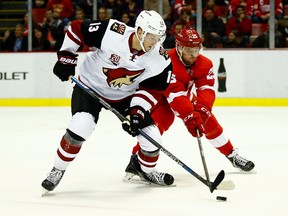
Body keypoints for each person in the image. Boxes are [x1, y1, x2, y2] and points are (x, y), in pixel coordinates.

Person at [41, 10, 174, 194]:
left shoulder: (160, 59)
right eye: (152, 37)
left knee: (152, 138)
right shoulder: (113, 32)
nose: (156, 43)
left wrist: (137, 112)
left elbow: (153, 89)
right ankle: (57, 169)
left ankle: (146, 171)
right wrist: (66, 57)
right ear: (141, 32)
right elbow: (78, 28)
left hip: (125, 96)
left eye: (160, 37)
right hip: (90, 87)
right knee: (80, 126)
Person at [124, 28, 255, 183]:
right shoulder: (167, 61)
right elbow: (175, 95)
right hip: (162, 98)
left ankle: (232, 155)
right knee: (155, 127)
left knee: (209, 122)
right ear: (179, 48)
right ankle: (136, 162)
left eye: (196, 50)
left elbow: (206, 90)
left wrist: (202, 112)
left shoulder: (205, 64)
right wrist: (190, 117)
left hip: (186, 96)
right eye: (188, 50)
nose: (193, 55)